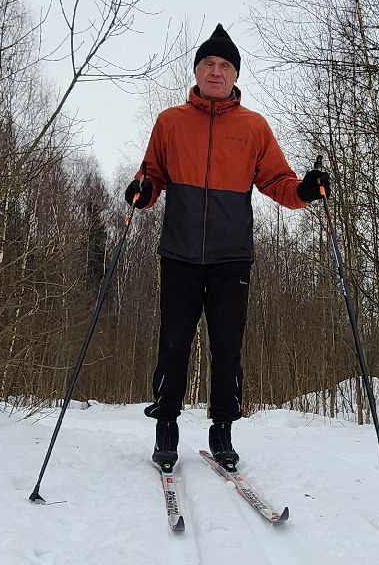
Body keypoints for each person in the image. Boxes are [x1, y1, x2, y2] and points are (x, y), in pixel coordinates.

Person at [124, 24, 328, 472]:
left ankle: (223, 429)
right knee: (174, 344)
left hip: (231, 255)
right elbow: (152, 176)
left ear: (235, 75)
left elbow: (278, 182)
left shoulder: (253, 127)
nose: (216, 71)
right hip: (178, 253)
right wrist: (141, 189)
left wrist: (307, 191)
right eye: (208, 64)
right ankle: (167, 427)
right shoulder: (170, 122)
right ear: (196, 70)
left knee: (227, 347)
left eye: (225, 65)